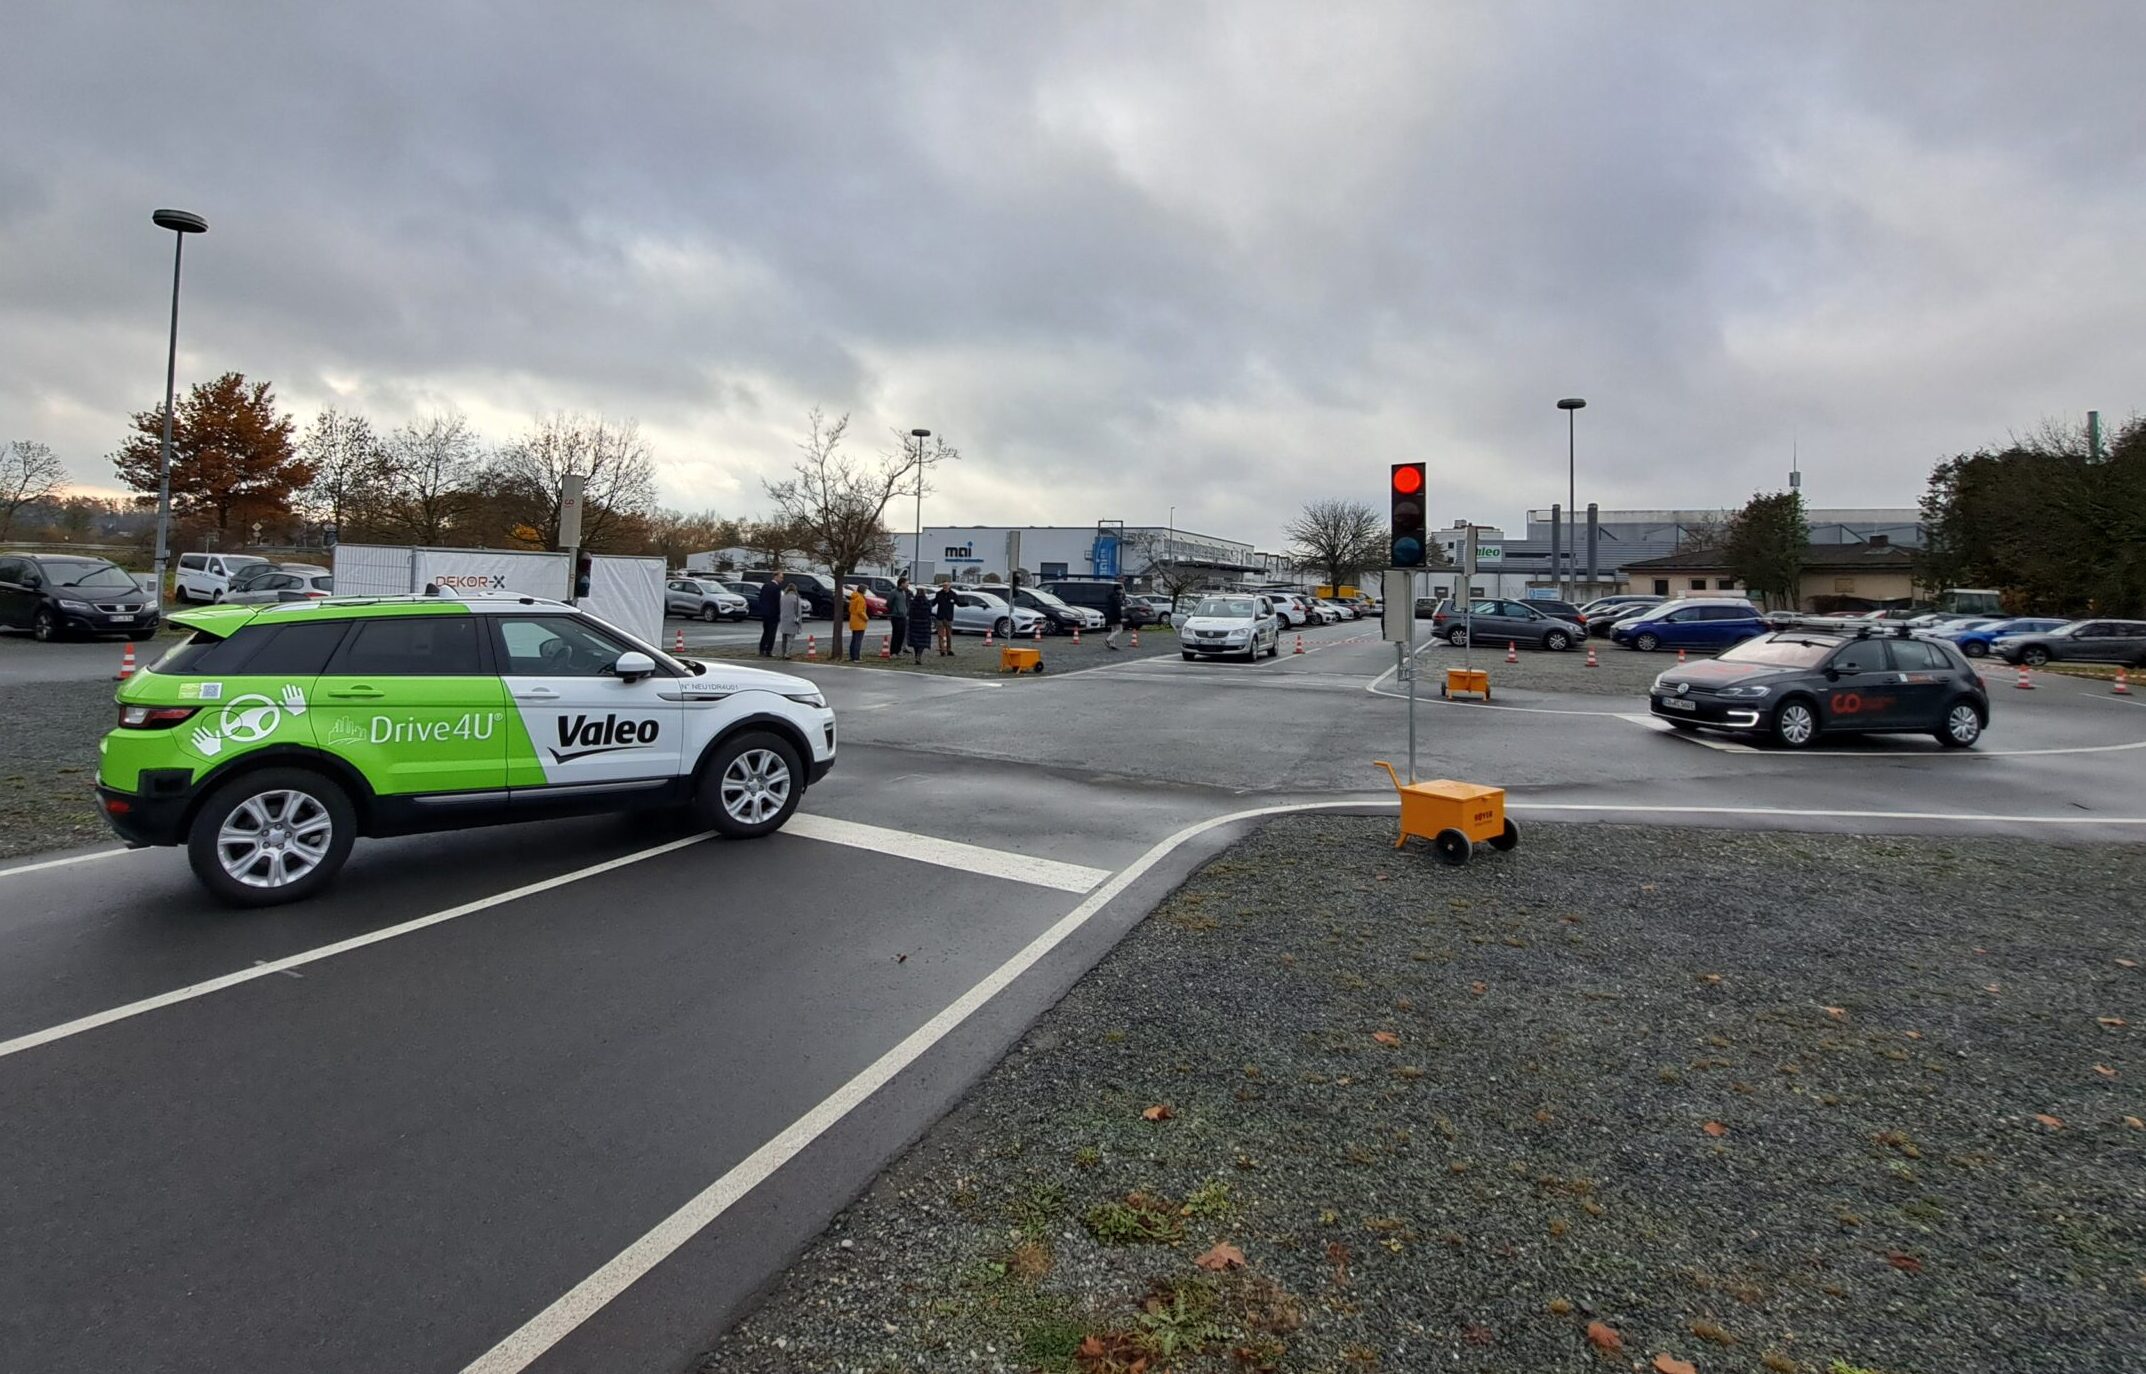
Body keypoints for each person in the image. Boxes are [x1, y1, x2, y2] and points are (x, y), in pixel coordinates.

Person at [756, 572, 784, 657]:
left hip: (765, 613)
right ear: (775, 577)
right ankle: (768, 650)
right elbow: (777, 602)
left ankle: (762, 649)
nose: (782, 580)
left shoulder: (765, 586)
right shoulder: (776, 588)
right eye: (781, 577)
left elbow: (761, 599)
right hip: (773, 613)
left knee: (766, 632)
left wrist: (762, 610)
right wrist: (779, 613)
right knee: (772, 633)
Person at [907, 585, 932, 663]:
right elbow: (929, 613)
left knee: (915, 642)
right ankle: (919, 655)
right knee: (922, 642)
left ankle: (916, 656)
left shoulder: (913, 603)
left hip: (914, 624)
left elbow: (910, 613)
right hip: (924, 624)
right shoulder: (927, 603)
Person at [778, 580, 802, 658]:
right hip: (792, 620)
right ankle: (787, 653)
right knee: (790, 639)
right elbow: (798, 612)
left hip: (783, 620)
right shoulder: (796, 598)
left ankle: (782, 653)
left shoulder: (783, 597)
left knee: (784, 639)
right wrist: (799, 624)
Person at [889, 576, 910, 660]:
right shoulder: (894, 592)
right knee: (896, 634)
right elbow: (889, 603)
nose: (908, 585)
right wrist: (895, 610)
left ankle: (898, 651)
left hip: (903, 616)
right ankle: (893, 652)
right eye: (907, 584)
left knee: (901, 635)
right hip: (896, 616)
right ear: (902, 584)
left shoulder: (904, 593)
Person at [846, 584, 869, 660]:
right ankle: (856, 657)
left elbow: (850, 609)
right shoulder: (861, 599)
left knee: (854, 640)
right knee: (858, 641)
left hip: (853, 620)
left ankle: (852, 656)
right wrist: (866, 618)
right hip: (860, 622)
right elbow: (860, 611)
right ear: (863, 590)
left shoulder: (853, 598)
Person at [933, 583, 957, 655]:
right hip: (940, 617)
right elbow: (934, 602)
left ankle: (949, 649)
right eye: (944, 586)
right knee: (940, 635)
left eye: (946, 586)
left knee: (948, 635)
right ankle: (942, 650)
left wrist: (967, 603)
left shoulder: (953, 594)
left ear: (949, 587)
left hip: (949, 617)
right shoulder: (939, 594)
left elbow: (958, 603)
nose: (945, 587)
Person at [1104, 582, 1126, 650]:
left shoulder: (1112, 597)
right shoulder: (1116, 598)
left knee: (1113, 631)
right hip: (1116, 616)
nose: (1122, 591)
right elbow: (1117, 609)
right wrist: (1121, 617)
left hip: (1111, 615)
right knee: (1119, 630)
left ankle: (1112, 644)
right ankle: (1108, 640)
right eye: (1121, 590)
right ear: (1117, 590)